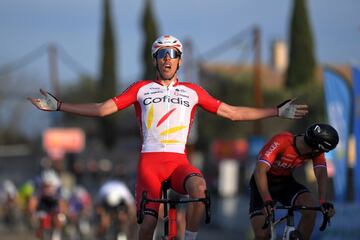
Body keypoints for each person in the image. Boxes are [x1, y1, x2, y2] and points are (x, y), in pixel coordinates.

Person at [28, 35, 308, 240]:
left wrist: (276, 111)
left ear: (179, 60)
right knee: (149, 224)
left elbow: (233, 113)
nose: (167, 59)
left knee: (200, 190)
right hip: (150, 164)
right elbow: (103, 109)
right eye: (161, 54)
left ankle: (189, 239)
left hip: (178, 164)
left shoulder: (193, 91)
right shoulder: (141, 88)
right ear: (155, 60)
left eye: (172, 54)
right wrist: (61, 105)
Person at [249, 123, 338, 240]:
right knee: (262, 235)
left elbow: (321, 173)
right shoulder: (282, 140)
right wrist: (266, 199)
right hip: (263, 181)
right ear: (316, 147)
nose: (322, 153)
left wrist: (323, 201)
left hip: (285, 182)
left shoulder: (316, 152)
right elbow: (260, 170)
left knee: (311, 208)